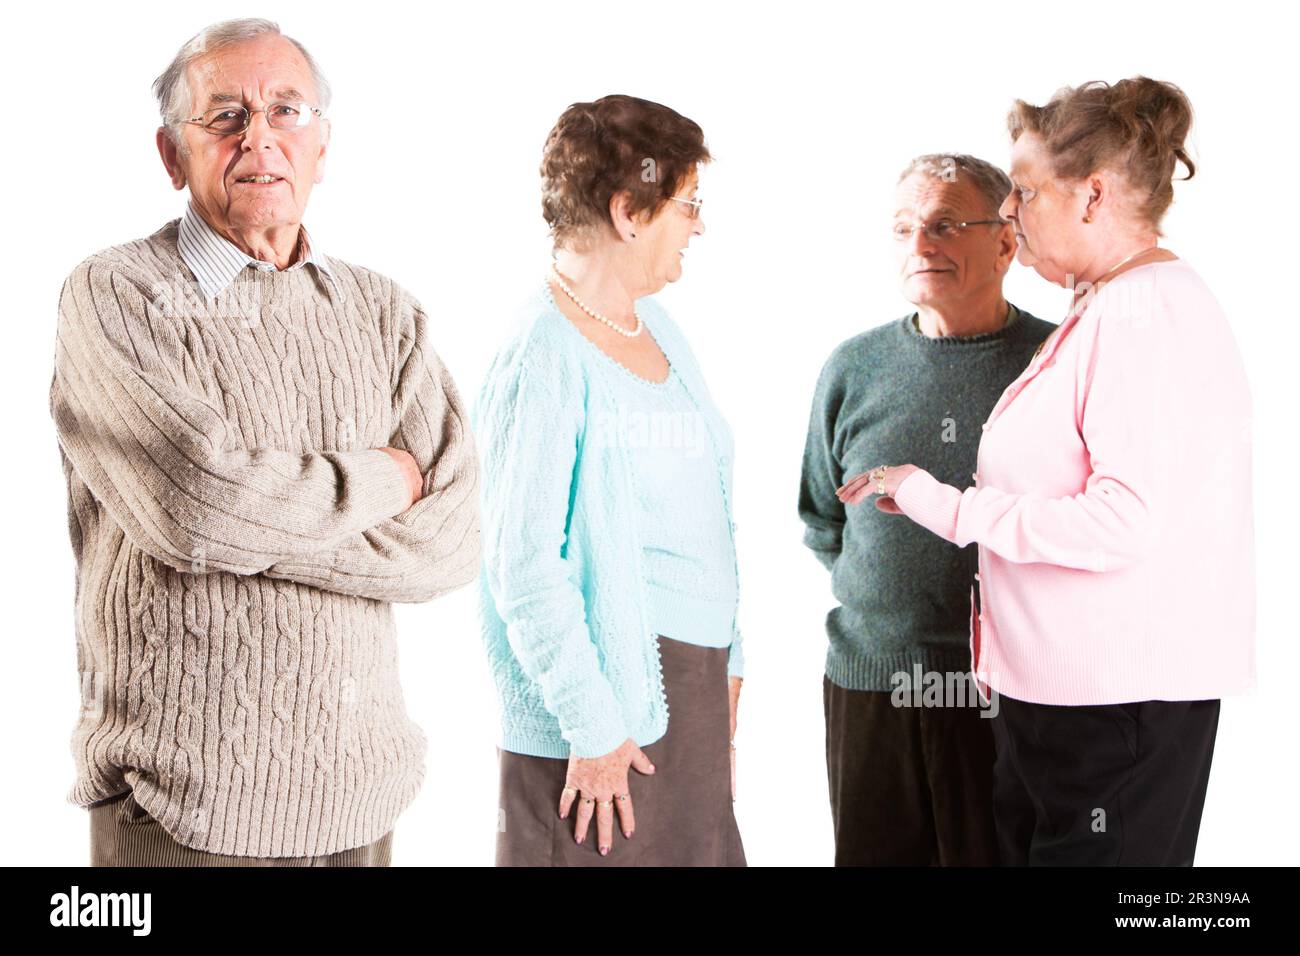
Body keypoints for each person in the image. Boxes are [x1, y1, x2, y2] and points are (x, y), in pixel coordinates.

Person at [49, 17, 480, 866]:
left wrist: (256, 519)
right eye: (225, 117)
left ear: (322, 145)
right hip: (179, 808)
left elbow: (454, 542)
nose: (261, 139)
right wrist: (387, 482)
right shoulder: (115, 295)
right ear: (174, 155)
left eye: (287, 111)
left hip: (364, 798)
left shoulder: (384, 312)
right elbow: (196, 510)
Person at [839, 77, 1254, 865]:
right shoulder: (1108, 305)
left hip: (1115, 715)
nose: (1008, 212)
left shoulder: (1144, 314)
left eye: (1024, 192)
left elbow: (1122, 520)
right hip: (1069, 708)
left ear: (1093, 195)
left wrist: (945, 505)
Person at [475, 94, 745, 865]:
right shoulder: (544, 352)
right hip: (599, 710)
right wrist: (593, 729)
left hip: (683, 696)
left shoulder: (653, 324)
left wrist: (733, 660)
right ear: (630, 210)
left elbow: (707, 513)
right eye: (688, 204)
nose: (698, 225)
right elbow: (521, 568)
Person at [799, 153, 1053, 865]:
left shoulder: (1053, 362)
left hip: (1010, 695)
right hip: (873, 687)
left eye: (944, 224)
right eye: (904, 227)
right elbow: (822, 516)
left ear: (1006, 240)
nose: (920, 245)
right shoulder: (853, 367)